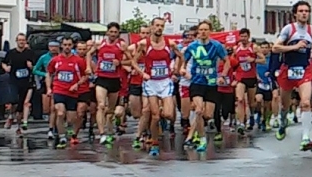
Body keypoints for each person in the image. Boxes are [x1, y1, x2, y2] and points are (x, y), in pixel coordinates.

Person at [272, 0, 312, 150]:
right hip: (288, 70)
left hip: (304, 70)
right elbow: (275, 48)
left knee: (305, 103)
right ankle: (283, 122)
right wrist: (295, 47)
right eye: (301, 11)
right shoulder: (289, 29)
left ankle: (305, 137)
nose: (304, 13)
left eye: (306, 11)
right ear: (295, 14)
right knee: (285, 104)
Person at [180, 20, 227, 153]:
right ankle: (202, 139)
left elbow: (227, 61)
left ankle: (199, 133)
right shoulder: (192, 46)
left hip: (211, 83)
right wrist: (183, 69)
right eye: (201, 30)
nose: (203, 32)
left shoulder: (216, 46)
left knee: (207, 115)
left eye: (206, 30)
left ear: (210, 31)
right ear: (198, 32)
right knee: (198, 110)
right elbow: (183, 61)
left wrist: (222, 76)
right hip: (197, 82)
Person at [135, 17, 175, 157]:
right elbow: (133, 61)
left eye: (162, 26)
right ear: (151, 27)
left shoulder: (170, 43)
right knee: (155, 116)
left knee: (169, 114)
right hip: (151, 82)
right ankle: (155, 143)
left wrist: (176, 69)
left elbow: (181, 56)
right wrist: (142, 73)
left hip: (165, 82)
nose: (159, 28)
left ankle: (163, 115)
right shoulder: (144, 44)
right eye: (157, 25)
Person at [87, 23, 127, 145]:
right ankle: (102, 133)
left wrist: (120, 62)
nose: (113, 34)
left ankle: (110, 131)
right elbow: (88, 54)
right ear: (107, 32)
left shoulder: (122, 45)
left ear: (118, 33)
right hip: (102, 78)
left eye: (115, 32)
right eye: (111, 32)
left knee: (110, 110)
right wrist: (88, 67)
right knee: (101, 105)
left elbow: (131, 60)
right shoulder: (100, 43)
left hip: (114, 79)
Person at [47, 35, 86, 148]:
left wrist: (77, 84)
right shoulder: (55, 60)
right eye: (65, 45)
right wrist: (49, 88)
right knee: (60, 112)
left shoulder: (78, 61)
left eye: (69, 45)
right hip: (59, 90)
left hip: (72, 92)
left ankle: (68, 129)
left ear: (73, 46)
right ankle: (62, 137)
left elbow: (85, 76)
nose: (67, 47)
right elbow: (49, 73)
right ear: (61, 46)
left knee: (71, 119)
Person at [1, 33, 36, 134]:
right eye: (20, 40)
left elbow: (36, 66)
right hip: (14, 81)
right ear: (16, 41)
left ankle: (19, 127)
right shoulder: (11, 53)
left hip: (26, 82)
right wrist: (6, 68)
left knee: (21, 105)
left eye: (23, 40)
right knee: (13, 101)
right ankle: (11, 116)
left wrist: (31, 66)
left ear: (25, 42)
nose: (21, 42)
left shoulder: (30, 53)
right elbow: (3, 62)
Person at [232, 29, 264, 134]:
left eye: (245, 36)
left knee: (252, 103)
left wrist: (253, 60)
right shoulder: (236, 48)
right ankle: (241, 123)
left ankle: (253, 115)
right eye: (241, 36)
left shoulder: (254, 47)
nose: (243, 38)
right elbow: (232, 61)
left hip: (251, 77)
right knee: (240, 99)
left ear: (248, 37)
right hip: (240, 77)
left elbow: (263, 60)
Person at [33, 40, 60, 139]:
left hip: (60, 83)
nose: (53, 48)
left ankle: (57, 126)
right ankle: (52, 126)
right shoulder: (44, 58)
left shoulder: (62, 57)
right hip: (48, 83)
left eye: (55, 47)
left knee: (58, 107)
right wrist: (45, 74)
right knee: (49, 108)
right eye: (51, 47)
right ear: (48, 47)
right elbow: (35, 70)